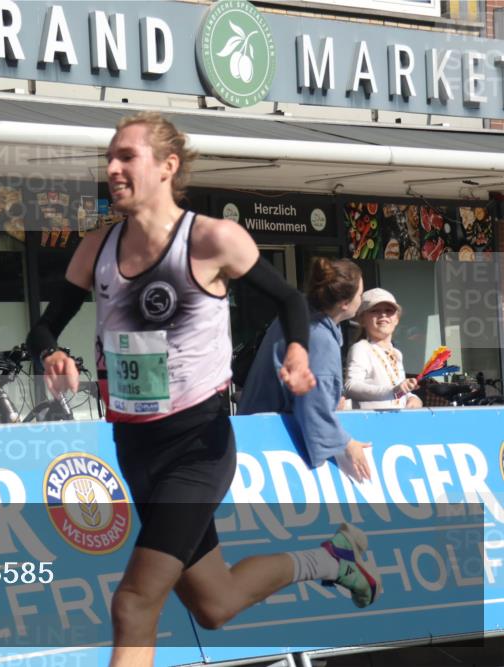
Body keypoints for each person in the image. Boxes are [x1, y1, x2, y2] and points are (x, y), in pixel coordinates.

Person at [25, 113, 377, 667]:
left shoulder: (212, 239)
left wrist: (296, 351)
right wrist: (53, 352)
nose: (112, 168)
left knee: (133, 604)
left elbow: (288, 300)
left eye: (126, 157)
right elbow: (44, 327)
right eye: (110, 157)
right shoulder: (97, 248)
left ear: (167, 167)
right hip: (135, 449)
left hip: (198, 448)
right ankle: (332, 561)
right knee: (216, 602)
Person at [239, 258, 372, 483]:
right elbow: (313, 407)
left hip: (251, 436)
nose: (362, 298)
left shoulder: (296, 320)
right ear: (345, 304)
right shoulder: (321, 339)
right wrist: (347, 444)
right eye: (360, 294)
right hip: (272, 449)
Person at [344, 288, 422, 409]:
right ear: (362, 319)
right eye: (375, 310)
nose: (383, 315)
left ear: (396, 319)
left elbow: (399, 391)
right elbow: (351, 386)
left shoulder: (396, 353)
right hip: (372, 424)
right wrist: (393, 391)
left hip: (396, 424)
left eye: (389, 310)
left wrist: (412, 398)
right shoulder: (361, 348)